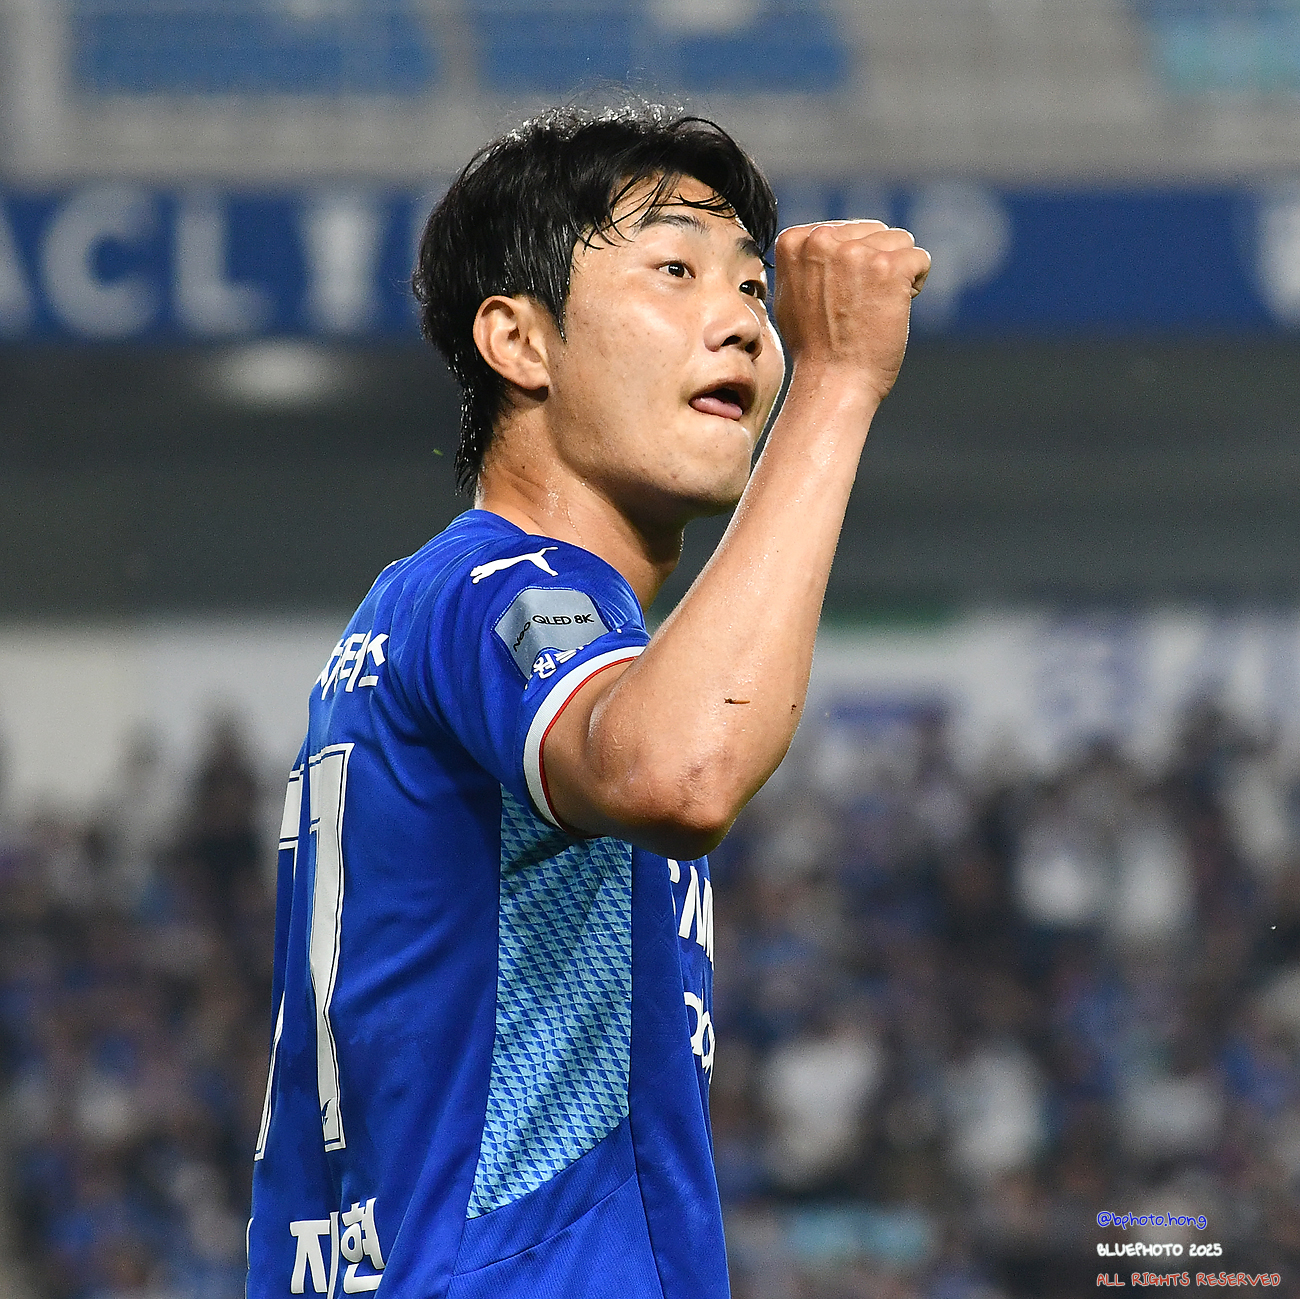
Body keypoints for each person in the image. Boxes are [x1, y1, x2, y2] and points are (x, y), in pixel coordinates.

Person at [247, 104, 929, 1299]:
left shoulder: (439, 605)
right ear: (520, 341)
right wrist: (836, 386)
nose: (744, 320)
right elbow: (679, 772)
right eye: (674, 270)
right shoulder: (505, 587)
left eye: (753, 288)